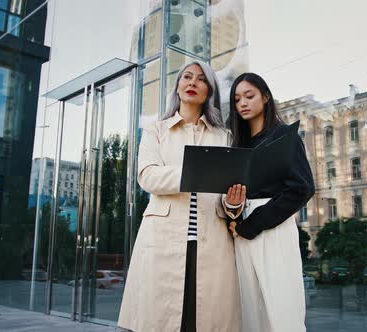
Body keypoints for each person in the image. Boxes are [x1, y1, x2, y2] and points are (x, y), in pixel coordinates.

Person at [118, 62, 244, 332]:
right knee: (161, 319)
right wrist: (193, 173)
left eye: (201, 80)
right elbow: (147, 176)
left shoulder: (224, 136)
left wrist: (233, 203)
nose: (192, 83)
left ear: (209, 90)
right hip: (163, 238)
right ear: (177, 85)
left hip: (211, 241)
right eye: (187, 77)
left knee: (203, 320)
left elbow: (225, 192)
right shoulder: (156, 129)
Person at [227, 72, 315, 332]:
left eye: (249, 95)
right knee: (251, 311)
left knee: (281, 309)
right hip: (241, 232)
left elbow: (301, 188)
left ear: (265, 97)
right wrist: (235, 215)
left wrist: (252, 224)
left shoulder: (284, 136)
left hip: (272, 228)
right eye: (237, 99)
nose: (242, 102)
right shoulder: (238, 144)